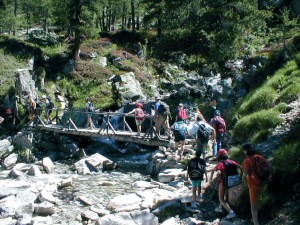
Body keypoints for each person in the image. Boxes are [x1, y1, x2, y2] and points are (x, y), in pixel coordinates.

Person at [209, 149, 241, 219]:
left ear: (220, 157)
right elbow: (240, 168)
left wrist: (210, 180)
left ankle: (231, 212)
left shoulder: (221, 164)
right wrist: (240, 177)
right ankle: (220, 207)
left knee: (221, 198)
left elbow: (213, 170)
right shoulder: (233, 162)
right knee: (225, 195)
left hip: (224, 181)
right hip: (234, 181)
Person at [241, 143, 268, 225]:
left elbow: (245, 173)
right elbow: (268, 166)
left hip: (253, 184)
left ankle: (256, 222)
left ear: (246, 151)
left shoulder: (247, 160)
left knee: (253, 205)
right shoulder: (260, 157)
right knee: (260, 200)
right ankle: (259, 218)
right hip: (263, 182)